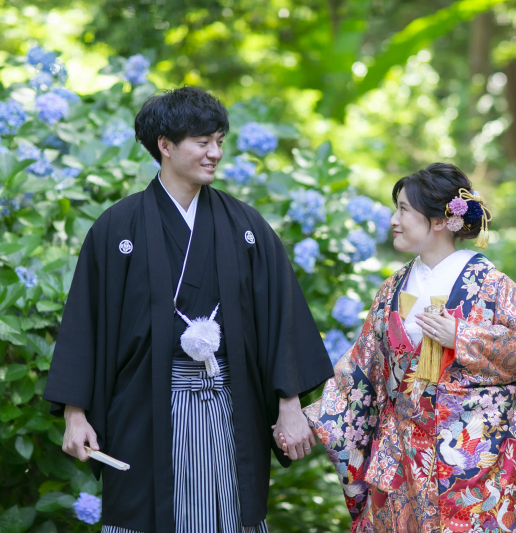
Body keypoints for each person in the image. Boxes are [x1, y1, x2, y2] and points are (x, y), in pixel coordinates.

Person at [44, 86, 333, 533]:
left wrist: (289, 405)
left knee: (230, 514)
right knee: (144, 513)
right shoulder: (116, 228)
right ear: (165, 146)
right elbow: (86, 324)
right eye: (203, 142)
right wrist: (74, 414)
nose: (215, 152)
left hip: (229, 405)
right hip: (145, 407)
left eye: (219, 140)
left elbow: (282, 317)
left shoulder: (246, 227)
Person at [297, 163, 516, 532]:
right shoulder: (392, 288)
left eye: (403, 209)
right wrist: (309, 418)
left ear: (438, 221)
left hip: (469, 464)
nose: (393, 219)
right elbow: (362, 369)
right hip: (399, 458)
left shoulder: (492, 285)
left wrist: (463, 337)